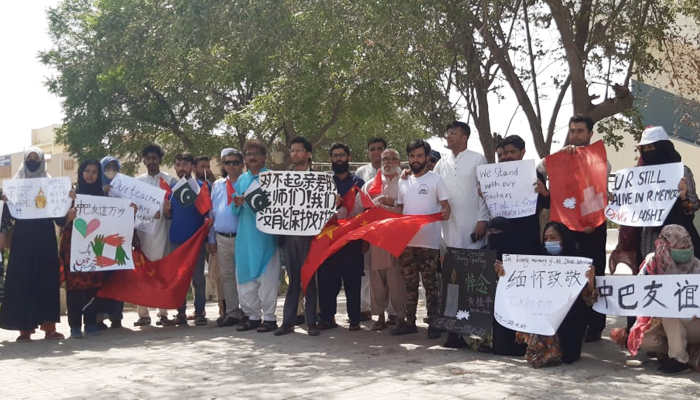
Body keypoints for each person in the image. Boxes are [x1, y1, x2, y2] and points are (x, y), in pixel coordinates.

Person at [537, 114, 608, 342]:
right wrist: (560, 157)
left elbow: (599, 191)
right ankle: (571, 323)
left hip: (593, 229)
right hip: (567, 230)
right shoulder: (561, 158)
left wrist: (591, 223)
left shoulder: (600, 160)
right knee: (568, 276)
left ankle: (595, 326)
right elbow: (539, 169)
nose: (576, 135)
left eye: (580, 131)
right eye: (572, 130)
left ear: (590, 134)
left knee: (593, 275)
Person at [494, 222, 597, 368]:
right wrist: (506, 274)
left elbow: (590, 301)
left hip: (570, 322)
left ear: (564, 239)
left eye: (553, 238)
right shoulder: (538, 262)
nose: (549, 242)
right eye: (546, 238)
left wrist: (590, 281)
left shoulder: (579, 264)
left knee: (568, 355)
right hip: (543, 315)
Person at [0, 147, 66, 341]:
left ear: (42, 162)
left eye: (36, 159)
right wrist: (6, 202)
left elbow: (59, 217)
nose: (32, 161)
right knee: (22, 280)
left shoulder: (51, 183)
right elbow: (9, 217)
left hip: (45, 237)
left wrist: (66, 201)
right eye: (29, 158)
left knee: (47, 279)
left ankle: (49, 327)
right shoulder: (15, 185)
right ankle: (24, 329)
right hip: (22, 240)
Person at [618, 225, 700, 374]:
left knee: (670, 310)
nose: (686, 250)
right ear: (665, 246)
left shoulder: (697, 267)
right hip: (662, 323)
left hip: (693, 324)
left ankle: (678, 359)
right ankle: (683, 349)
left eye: (688, 245)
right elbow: (638, 296)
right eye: (680, 246)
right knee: (643, 339)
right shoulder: (651, 264)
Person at [393, 139, 450, 339]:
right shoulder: (403, 180)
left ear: (427, 158)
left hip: (429, 242)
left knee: (430, 284)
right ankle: (410, 322)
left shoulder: (436, 180)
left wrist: (439, 215)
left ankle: (434, 322)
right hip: (408, 242)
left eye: (419, 156)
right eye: (412, 156)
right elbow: (401, 208)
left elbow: (446, 209)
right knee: (409, 284)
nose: (415, 160)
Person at [232, 140, 281, 333]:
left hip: (265, 236)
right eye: (248, 154)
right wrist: (236, 203)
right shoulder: (242, 180)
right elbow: (234, 210)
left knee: (267, 278)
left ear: (263, 157)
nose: (252, 157)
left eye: (255, 154)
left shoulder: (272, 178)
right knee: (245, 278)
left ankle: (269, 317)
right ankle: (252, 316)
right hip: (245, 236)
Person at [275, 137, 322, 336]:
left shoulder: (320, 180)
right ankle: (288, 322)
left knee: (309, 279)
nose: (295, 153)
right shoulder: (283, 180)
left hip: (311, 237)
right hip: (289, 237)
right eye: (292, 150)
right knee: (293, 279)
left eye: (299, 150)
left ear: (308, 154)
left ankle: (312, 321)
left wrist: (332, 201)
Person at [316, 142, 365, 331]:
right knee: (327, 279)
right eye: (335, 156)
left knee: (353, 280)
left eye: (342, 155)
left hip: (352, 238)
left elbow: (363, 212)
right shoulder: (323, 182)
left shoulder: (358, 182)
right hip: (328, 238)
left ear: (348, 158)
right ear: (330, 159)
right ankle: (327, 317)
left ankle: (354, 319)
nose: (338, 159)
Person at [58, 160, 107, 338]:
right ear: (81, 172)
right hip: (72, 247)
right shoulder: (71, 194)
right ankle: (75, 326)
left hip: (94, 247)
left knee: (93, 285)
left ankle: (91, 323)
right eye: (87, 171)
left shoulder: (102, 195)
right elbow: (59, 221)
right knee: (74, 287)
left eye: (94, 172)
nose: (90, 175)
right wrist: (68, 217)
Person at [361, 148, 406, 331]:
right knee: (377, 279)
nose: (387, 162)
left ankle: (400, 317)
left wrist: (393, 204)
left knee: (397, 279)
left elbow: (411, 207)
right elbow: (361, 210)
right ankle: (379, 316)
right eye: (384, 159)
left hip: (398, 238)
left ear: (398, 162)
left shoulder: (406, 181)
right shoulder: (370, 184)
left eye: (392, 159)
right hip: (377, 239)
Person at [133, 144, 177, 327]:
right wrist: (134, 234)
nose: (151, 162)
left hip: (163, 232)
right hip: (143, 234)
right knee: (142, 274)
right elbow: (131, 209)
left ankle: (163, 312)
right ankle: (143, 313)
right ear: (144, 161)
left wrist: (168, 212)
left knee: (162, 272)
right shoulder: (137, 183)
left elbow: (176, 208)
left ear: (160, 160)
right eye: (148, 158)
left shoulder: (169, 181)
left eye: (155, 158)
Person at [163, 153, 209, 326]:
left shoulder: (201, 187)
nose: (181, 168)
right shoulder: (172, 191)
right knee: (179, 279)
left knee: (198, 279)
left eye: (185, 164)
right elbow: (169, 217)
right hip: (176, 241)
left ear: (192, 166)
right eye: (178, 164)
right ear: (174, 167)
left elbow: (207, 214)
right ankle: (180, 313)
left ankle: (199, 312)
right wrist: (167, 210)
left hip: (195, 242)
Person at [433, 121, 489, 250]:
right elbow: (431, 183)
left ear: (464, 138)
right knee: (452, 258)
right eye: (447, 134)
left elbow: (485, 191)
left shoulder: (478, 159)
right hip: (450, 222)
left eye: (453, 133)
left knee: (474, 261)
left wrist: (483, 219)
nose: (448, 137)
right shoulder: (442, 162)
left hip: (473, 221)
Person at [494, 135, 550, 255]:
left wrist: (544, 192)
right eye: (506, 152)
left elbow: (546, 204)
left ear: (522, 152)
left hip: (528, 234)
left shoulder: (534, 174)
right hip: (503, 236)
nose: (508, 156)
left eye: (512, 152)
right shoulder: (495, 176)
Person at [210, 148, 246, 327]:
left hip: (243, 237)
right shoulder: (217, 185)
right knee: (227, 277)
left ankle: (249, 312)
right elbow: (212, 213)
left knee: (245, 276)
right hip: (222, 237)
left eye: (235, 162)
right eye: (227, 162)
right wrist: (211, 239)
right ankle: (232, 312)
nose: (231, 166)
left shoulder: (247, 182)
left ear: (242, 164)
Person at [354, 137, 388, 322]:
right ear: (368, 152)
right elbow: (357, 202)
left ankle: (391, 312)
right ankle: (365, 308)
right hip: (367, 229)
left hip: (388, 229)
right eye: (372, 149)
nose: (376, 152)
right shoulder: (361, 172)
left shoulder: (395, 171)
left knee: (390, 271)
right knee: (367, 270)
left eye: (379, 149)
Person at [96, 155, 125, 328]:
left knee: (119, 277)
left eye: (114, 167)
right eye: (108, 167)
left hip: (120, 238)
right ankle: (99, 316)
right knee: (101, 279)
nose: (111, 171)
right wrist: (102, 192)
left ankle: (116, 315)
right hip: (100, 240)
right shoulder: (95, 189)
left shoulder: (124, 188)